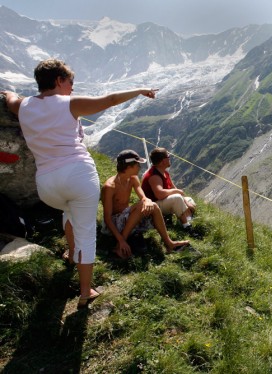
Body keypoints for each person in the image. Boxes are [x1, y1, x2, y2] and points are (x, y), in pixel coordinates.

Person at [1, 58, 158, 309]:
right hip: (78, 176)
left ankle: (72, 254)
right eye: (70, 82)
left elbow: (10, 101)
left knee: (68, 210)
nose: (72, 87)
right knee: (87, 233)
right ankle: (86, 292)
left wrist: (9, 93)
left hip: (46, 185)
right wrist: (139, 90)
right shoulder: (69, 104)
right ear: (59, 81)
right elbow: (109, 100)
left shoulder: (24, 105)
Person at [101, 149, 190, 259]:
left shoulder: (133, 178)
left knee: (153, 206)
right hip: (113, 223)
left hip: (126, 217)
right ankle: (121, 243)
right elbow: (107, 218)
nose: (139, 167)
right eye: (137, 164)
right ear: (129, 167)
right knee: (140, 207)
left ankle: (169, 243)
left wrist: (147, 200)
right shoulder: (110, 187)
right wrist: (120, 240)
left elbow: (143, 197)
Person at [141, 147, 197, 229]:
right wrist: (177, 191)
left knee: (189, 199)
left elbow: (175, 190)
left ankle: (187, 220)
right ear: (163, 161)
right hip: (153, 205)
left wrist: (185, 201)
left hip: (161, 202)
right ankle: (187, 226)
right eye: (168, 157)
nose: (169, 159)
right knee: (177, 198)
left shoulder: (164, 172)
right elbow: (159, 194)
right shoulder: (154, 176)